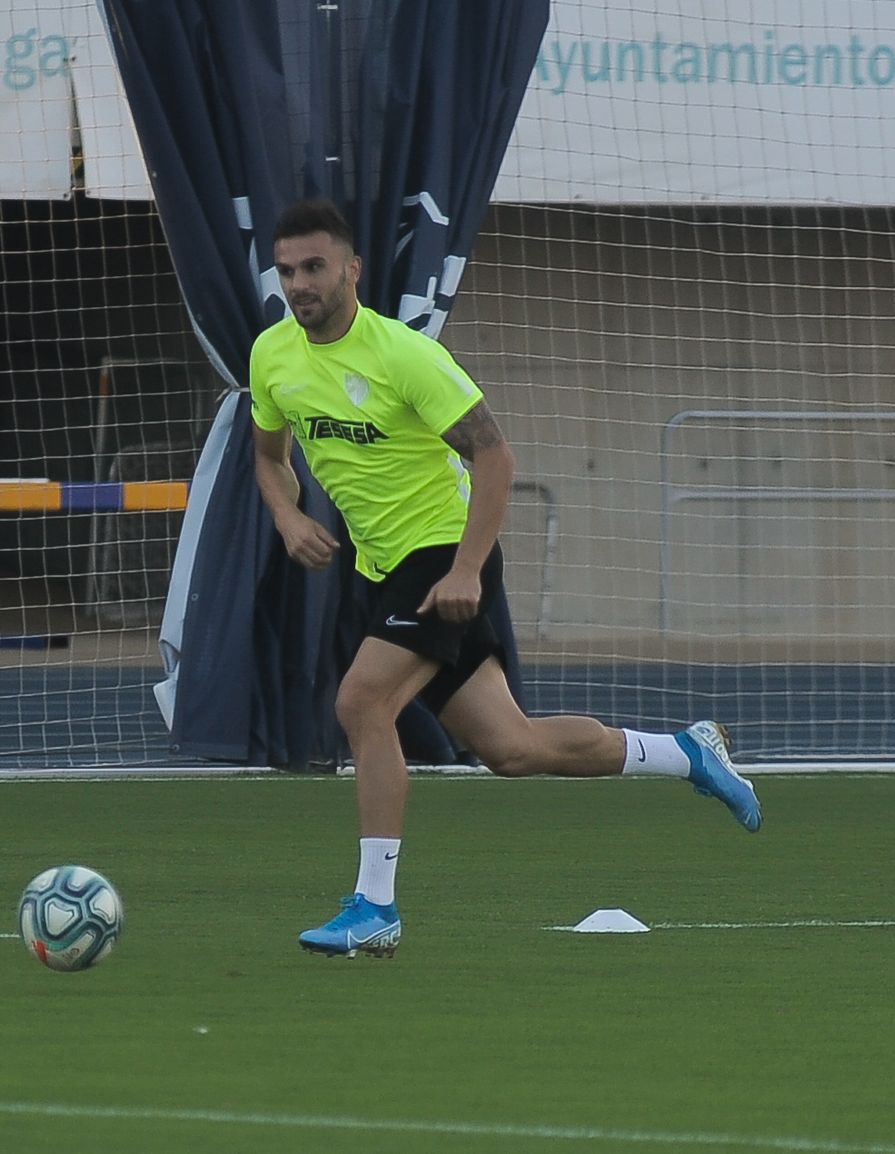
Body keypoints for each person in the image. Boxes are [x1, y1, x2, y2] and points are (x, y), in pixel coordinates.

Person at [249, 198, 760, 959]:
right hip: (386, 567)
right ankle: (686, 751)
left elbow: (496, 457)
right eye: (287, 270)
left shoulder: (405, 356)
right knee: (510, 748)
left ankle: (374, 907)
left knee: (361, 702)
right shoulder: (273, 357)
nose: (299, 284)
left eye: (314, 266)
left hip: (447, 552)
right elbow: (267, 457)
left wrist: (464, 570)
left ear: (352, 270)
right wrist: (289, 521)